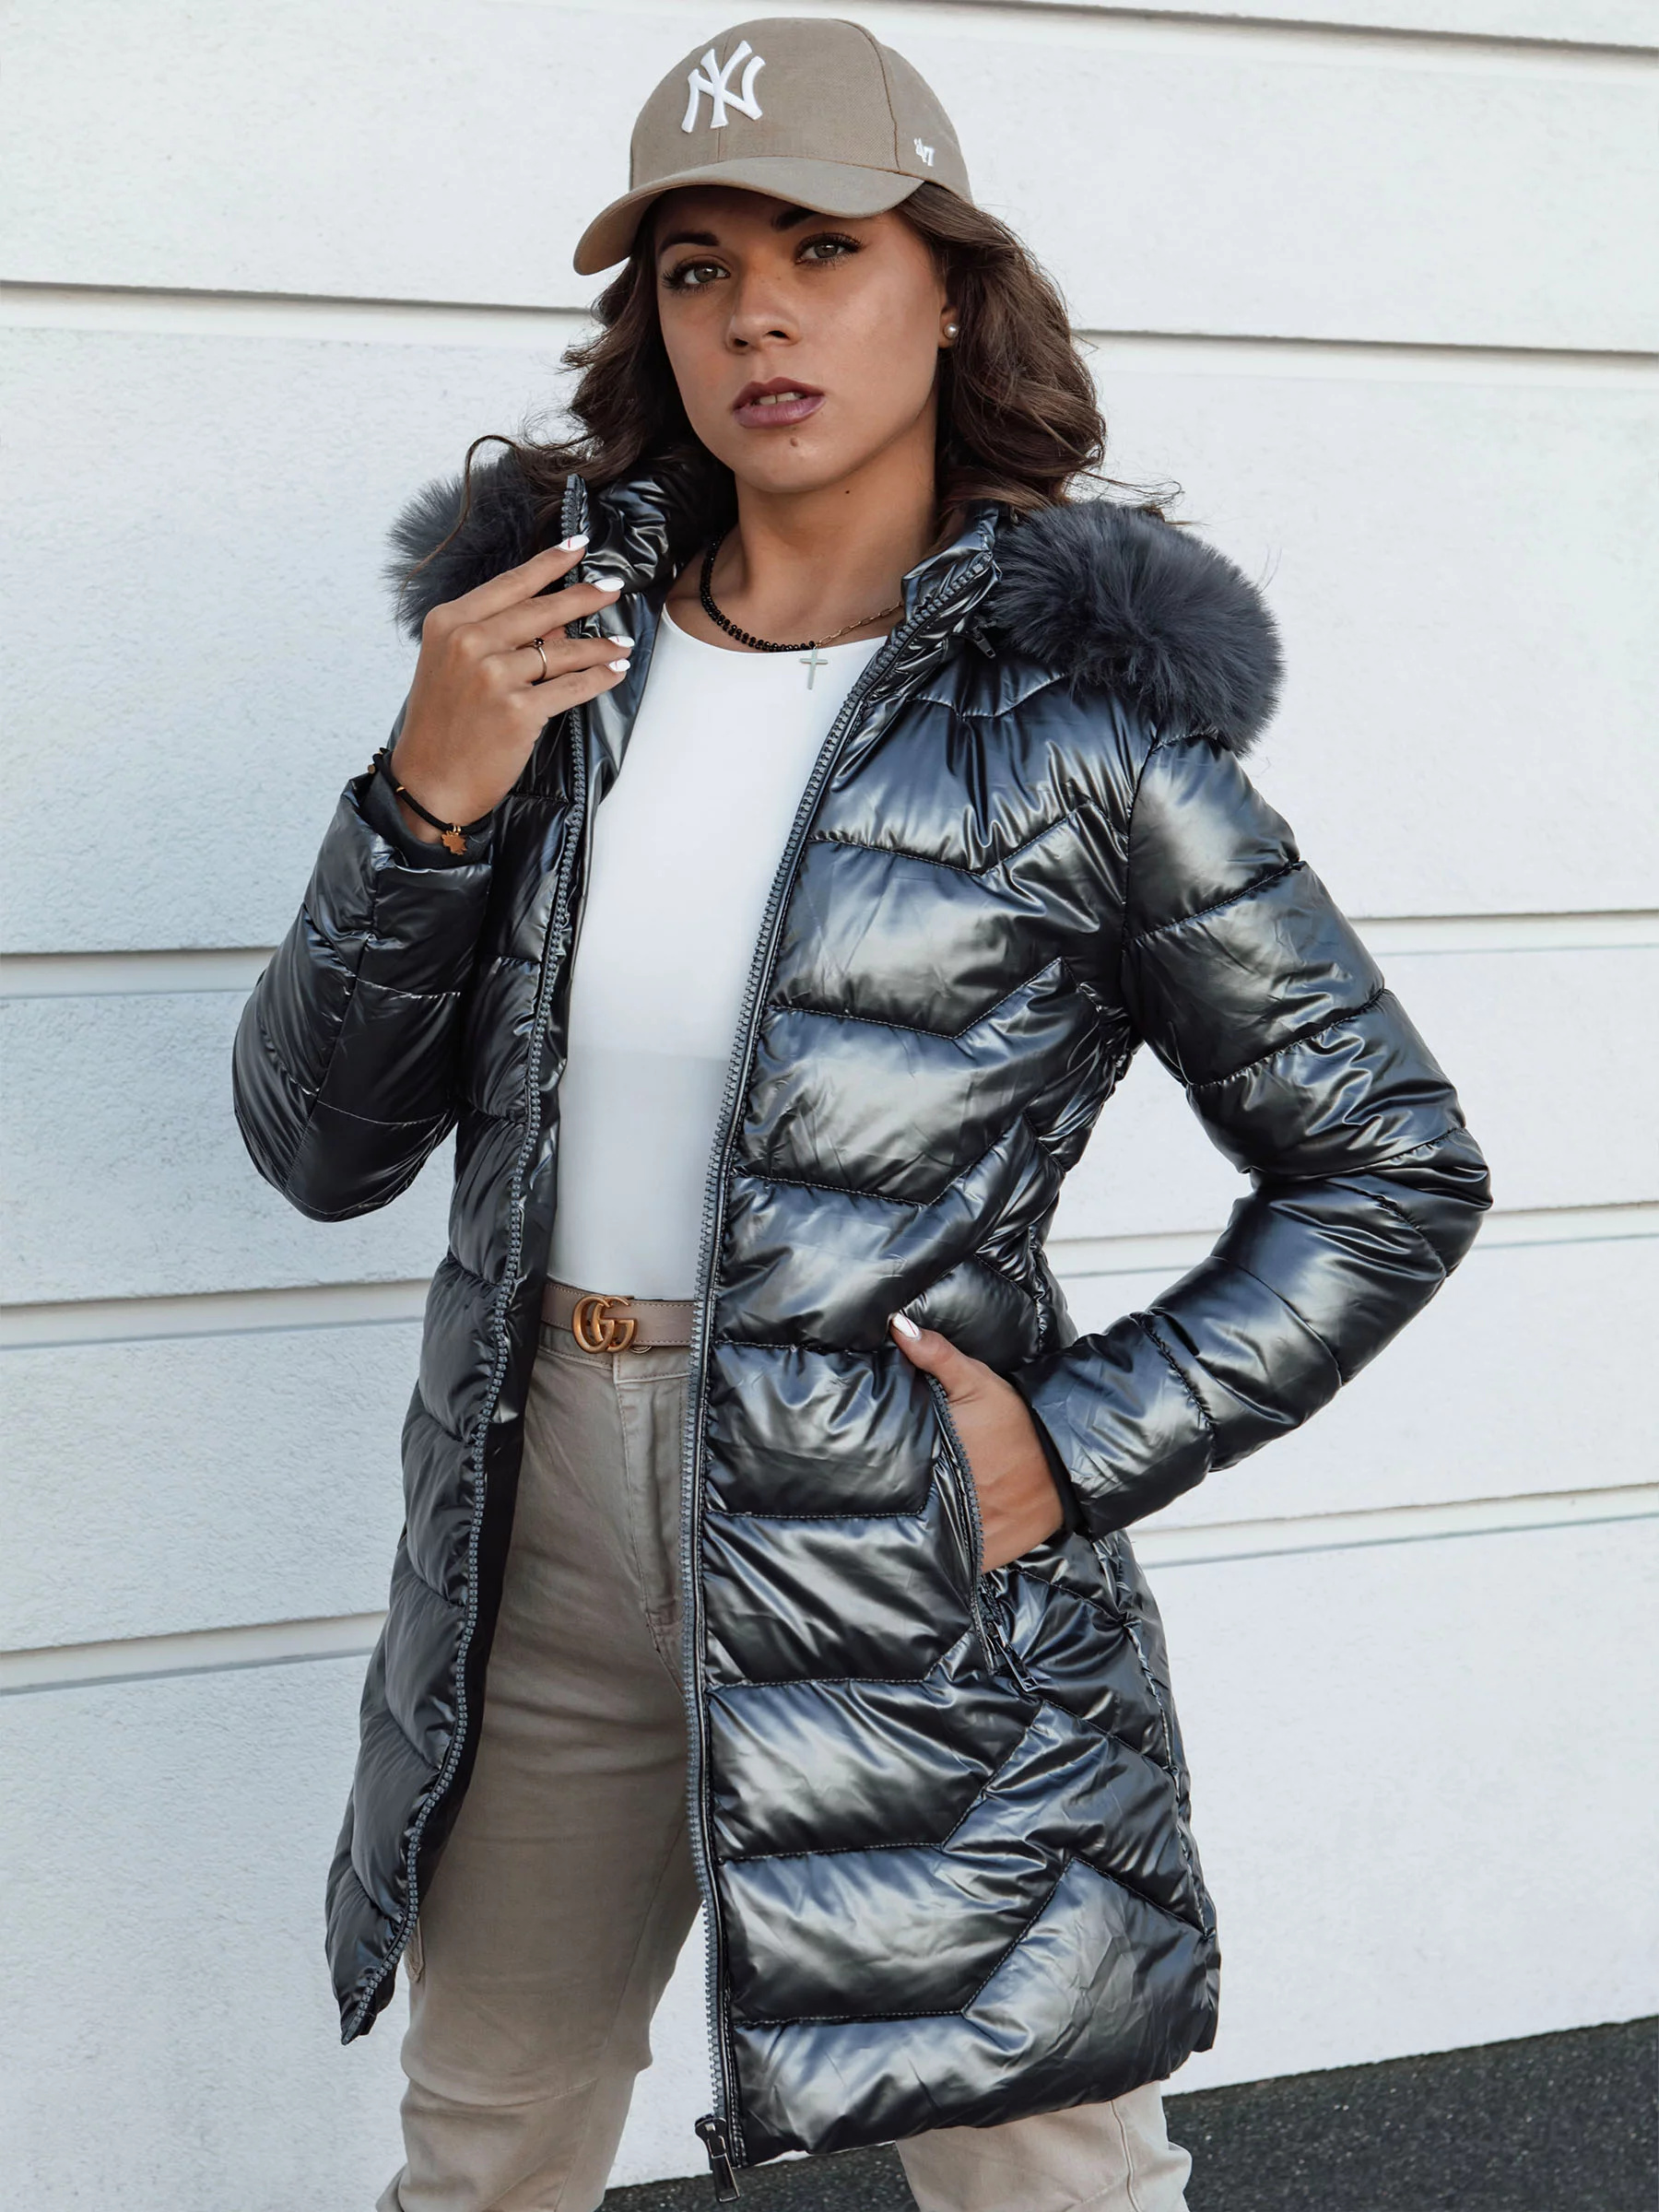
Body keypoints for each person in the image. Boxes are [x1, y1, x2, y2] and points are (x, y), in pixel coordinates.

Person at [233, 17, 1492, 2210]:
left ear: (948, 294)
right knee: (485, 2142)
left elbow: (1388, 1163)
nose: (761, 314)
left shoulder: (1079, 740)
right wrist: (423, 802)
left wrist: (1075, 1443)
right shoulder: (545, 677)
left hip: (899, 1541)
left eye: (824, 249)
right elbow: (321, 1148)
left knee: (1047, 2170)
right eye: (698, 268)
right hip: (542, 1513)